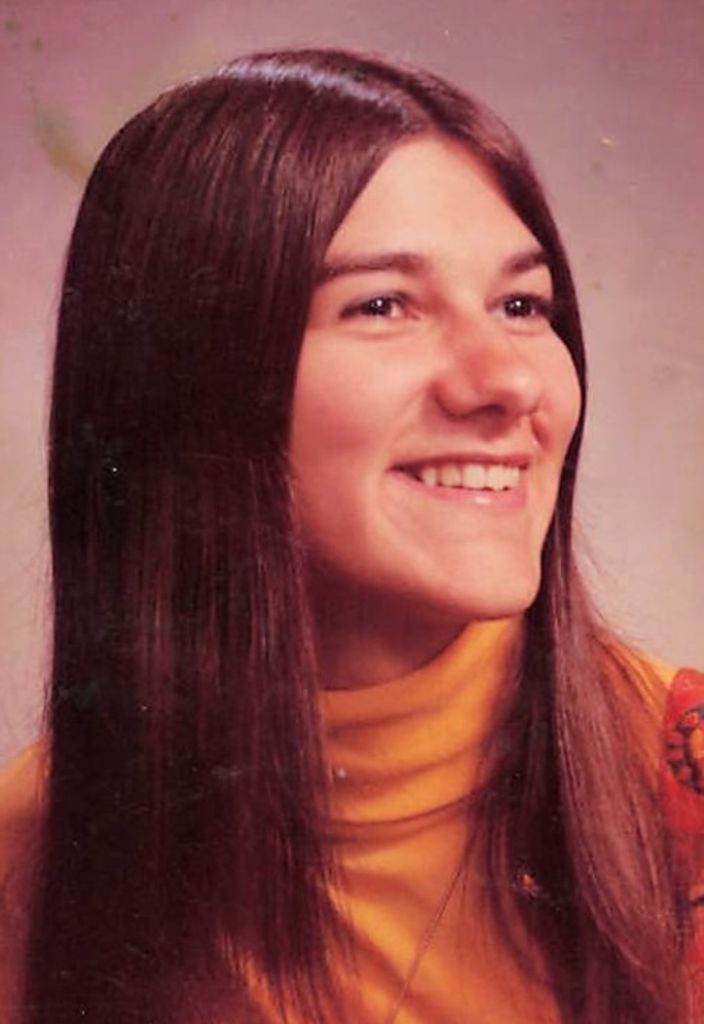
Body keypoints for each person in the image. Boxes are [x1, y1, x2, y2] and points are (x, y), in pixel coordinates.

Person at [0, 47, 701, 1024]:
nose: (506, 381)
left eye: (521, 305)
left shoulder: (681, 788)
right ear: (187, 380)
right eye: (382, 306)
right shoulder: (34, 854)